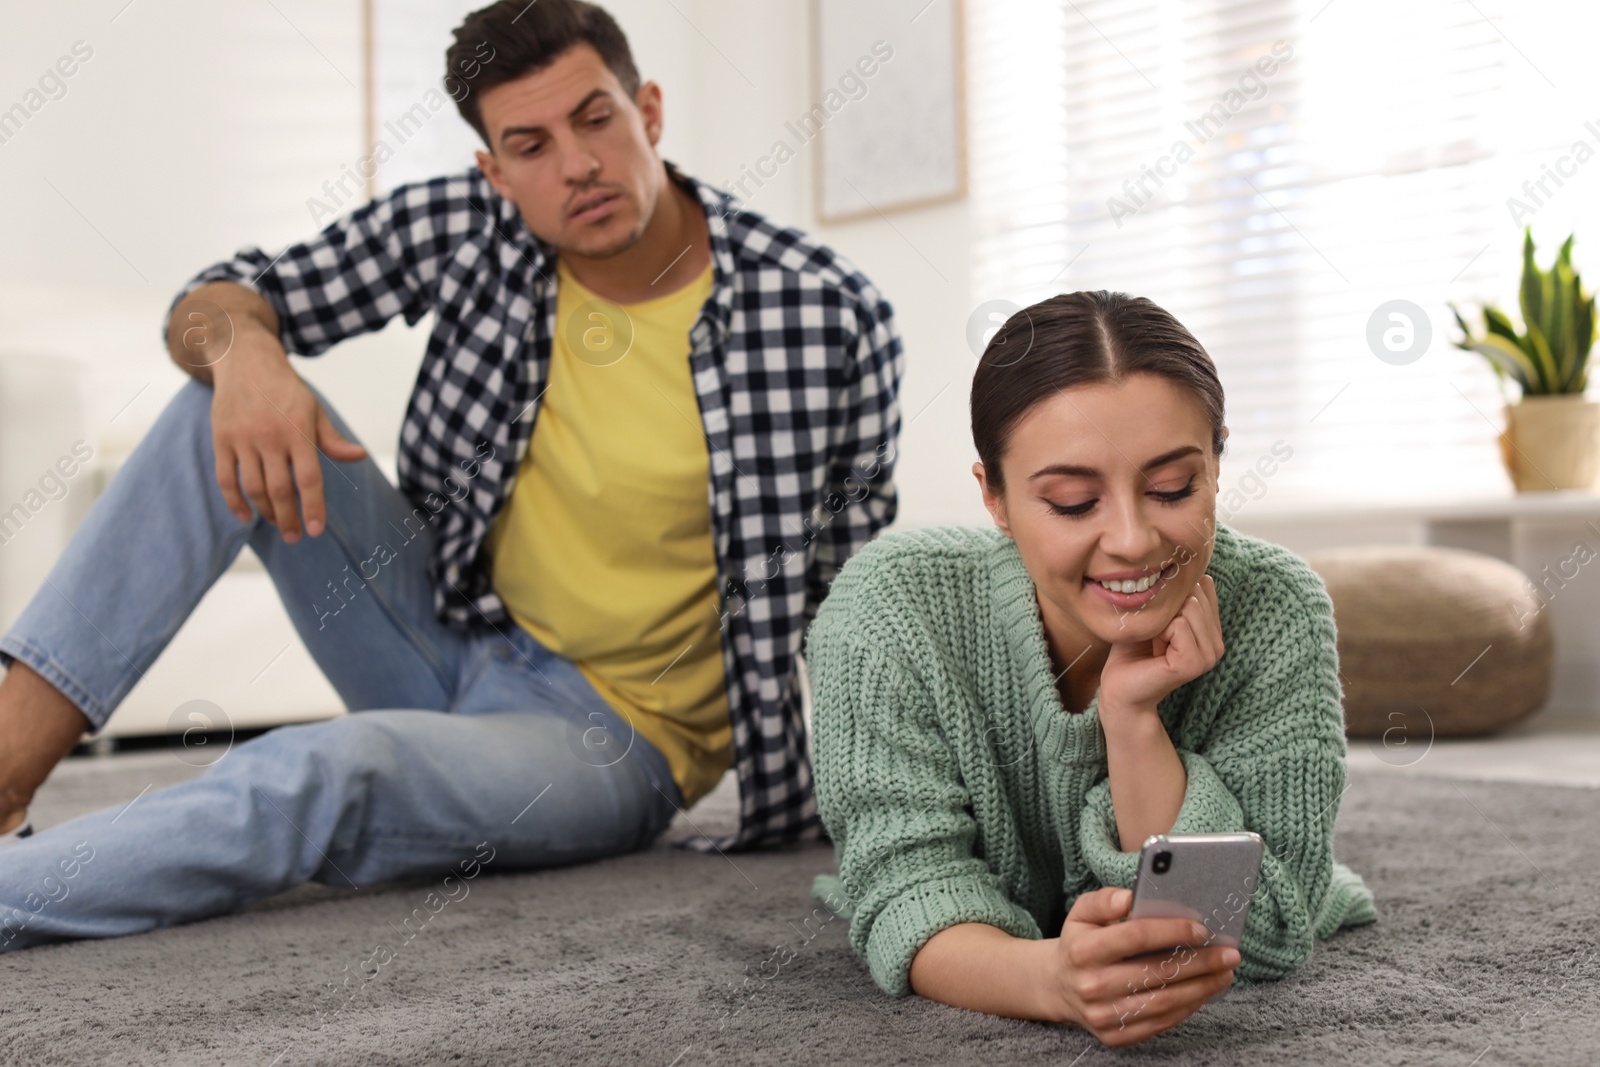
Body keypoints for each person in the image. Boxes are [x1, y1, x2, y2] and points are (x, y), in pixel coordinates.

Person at [0, 0, 901, 952]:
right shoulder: (473, 226)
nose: (578, 165)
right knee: (208, 413)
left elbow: (854, 596)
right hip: (445, 634)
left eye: (596, 119)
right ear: (494, 170)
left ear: (650, 110)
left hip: (609, 742)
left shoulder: (824, 313)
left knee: (330, 767)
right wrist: (244, 355)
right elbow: (219, 296)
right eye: (532, 144)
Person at [804, 290, 1376, 1047]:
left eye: (1173, 487)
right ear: (996, 497)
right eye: (1074, 502)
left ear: (1216, 461)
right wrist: (1050, 980)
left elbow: (1261, 925)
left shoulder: (1277, 606)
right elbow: (908, 889)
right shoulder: (889, 607)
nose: (1134, 540)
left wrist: (1134, 722)